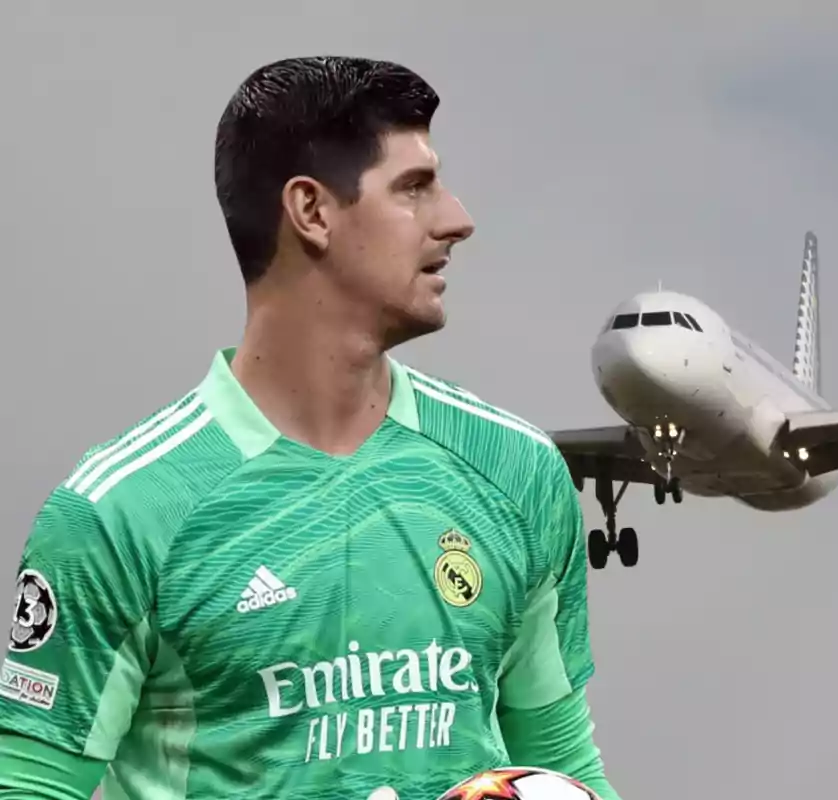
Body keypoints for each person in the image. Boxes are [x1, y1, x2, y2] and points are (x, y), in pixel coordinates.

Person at [0, 55, 620, 800]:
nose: (457, 218)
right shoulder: (120, 511)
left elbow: (564, 769)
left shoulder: (516, 468)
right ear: (313, 212)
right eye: (414, 188)